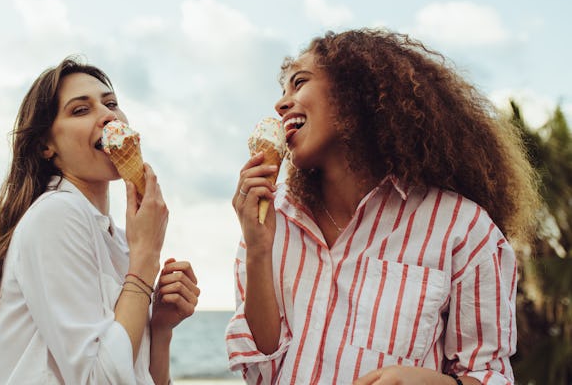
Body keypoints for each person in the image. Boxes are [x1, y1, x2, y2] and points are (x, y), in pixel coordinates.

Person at [226, 29, 539, 385]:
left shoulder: (462, 229)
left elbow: (489, 375)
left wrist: (431, 383)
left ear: (355, 93)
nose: (281, 104)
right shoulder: (266, 220)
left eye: (300, 83)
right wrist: (258, 250)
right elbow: (262, 371)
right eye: (282, 91)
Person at [0, 56, 200, 384]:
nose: (108, 115)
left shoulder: (118, 239)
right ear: (46, 145)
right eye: (80, 109)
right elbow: (98, 379)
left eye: (111, 103)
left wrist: (160, 329)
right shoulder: (55, 215)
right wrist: (146, 257)